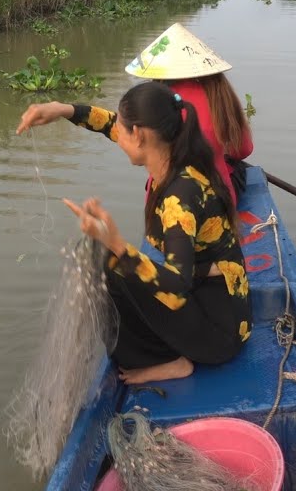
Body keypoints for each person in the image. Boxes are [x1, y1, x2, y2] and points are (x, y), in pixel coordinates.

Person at [61, 81, 252, 385]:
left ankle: (169, 361)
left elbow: (177, 285)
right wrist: (63, 110)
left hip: (219, 335)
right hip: (222, 306)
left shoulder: (179, 198)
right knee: (112, 260)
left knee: (106, 264)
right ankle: (166, 349)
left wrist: (118, 245)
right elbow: (109, 123)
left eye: (123, 132)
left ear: (139, 135)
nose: (117, 135)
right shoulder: (176, 156)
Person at [17, 23, 253, 208]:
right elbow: (244, 150)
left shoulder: (165, 101)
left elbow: (118, 129)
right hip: (224, 205)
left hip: (179, 217)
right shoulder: (221, 95)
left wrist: (63, 109)